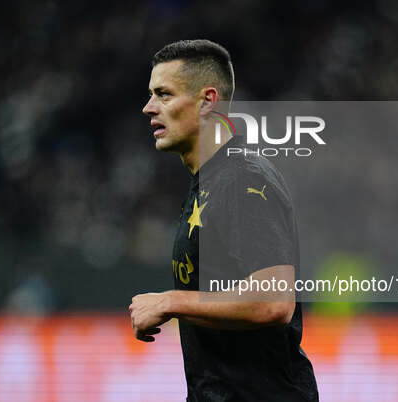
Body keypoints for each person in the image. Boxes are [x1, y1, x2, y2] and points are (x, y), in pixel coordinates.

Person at [130, 39, 318, 402]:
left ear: (207, 101)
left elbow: (274, 302)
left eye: (164, 94)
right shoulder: (210, 181)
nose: (148, 107)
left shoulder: (243, 180)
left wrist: (171, 302)